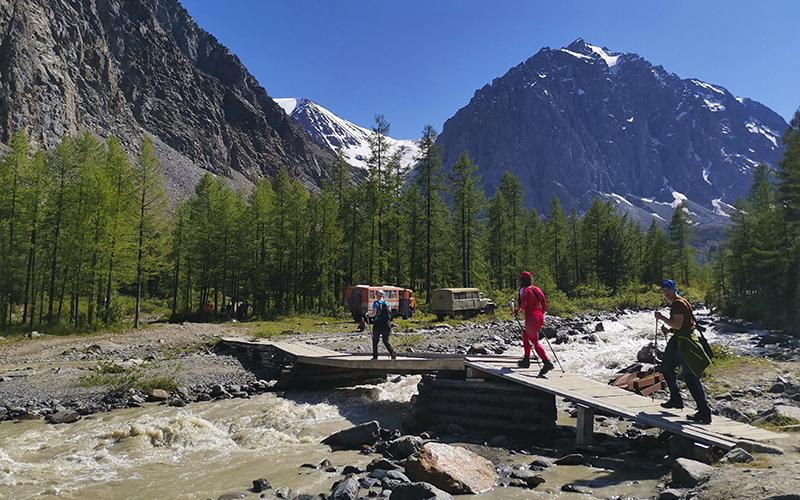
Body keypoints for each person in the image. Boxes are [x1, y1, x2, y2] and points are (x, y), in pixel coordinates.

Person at [655, 279, 712, 424]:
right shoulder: (682, 301)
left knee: (674, 370)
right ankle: (700, 410)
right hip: (685, 340)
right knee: (686, 374)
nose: (666, 293)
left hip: (684, 343)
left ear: (674, 289)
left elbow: (678, 325)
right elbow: (682, 324)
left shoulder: (678, 304)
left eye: (668, 290)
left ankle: (683, 402)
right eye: (663, 290)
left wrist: (662, 318)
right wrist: (669, 329)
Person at [514, 271, 554, 376]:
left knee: (535, 342)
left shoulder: (526, 290)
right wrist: (541, 314)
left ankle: (547, 363)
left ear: (523, 280)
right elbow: (544, 305)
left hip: (531, 318)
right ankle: (526, 360)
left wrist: (517, 311)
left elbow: (523, 304)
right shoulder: (538, 289)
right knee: (525, 336)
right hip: (539, 316)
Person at [371, 290, 396, 360]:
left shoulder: (376, 303)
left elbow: (373, 314)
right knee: (385, 340)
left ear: (376, 295)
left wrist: (368, 314)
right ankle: (392, 352)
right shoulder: (387, 303)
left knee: (375, 340)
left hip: (378, 323)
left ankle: (375, 356)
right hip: (387, 324)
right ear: (383, 296)